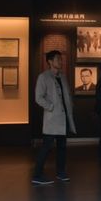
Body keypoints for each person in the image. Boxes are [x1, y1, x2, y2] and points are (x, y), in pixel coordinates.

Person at [33, 50, 76, 185]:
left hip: (63, 118)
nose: (60, 61)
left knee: (62, 146)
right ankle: (37, 175)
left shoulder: (62, 76)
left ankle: (61, 172)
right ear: (50, 61)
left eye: (61, 59)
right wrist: (51, 107)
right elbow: (38, 97)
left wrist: (70, 105)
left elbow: (67, 95)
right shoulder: (43, 77)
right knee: (46, 147)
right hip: (52, 119)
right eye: (58, 59)